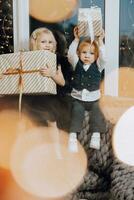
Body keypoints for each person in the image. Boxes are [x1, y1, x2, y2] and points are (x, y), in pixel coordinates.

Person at [67, 27, 107, 152]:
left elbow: (104, 57)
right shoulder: (76, 64)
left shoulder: (98, 66)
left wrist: (100, 41)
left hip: (94, 98)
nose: (87, 56)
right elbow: (70, 54)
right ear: (79, 54)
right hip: (78, 98)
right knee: (76, 111)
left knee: (97, 110)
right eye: (84, 53)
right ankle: (72, 137)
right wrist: (76, 40)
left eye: (91, 53)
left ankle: (96, 135)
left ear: (96, 56)